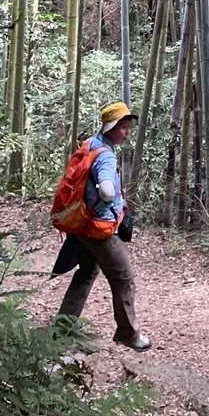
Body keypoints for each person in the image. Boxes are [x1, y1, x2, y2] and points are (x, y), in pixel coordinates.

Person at [53, 101, 152, 351]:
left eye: (128, 127)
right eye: (123, 127)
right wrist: (108, 196)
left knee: (86, 272)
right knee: (124, 277)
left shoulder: (90, 144)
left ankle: (62, 329)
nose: (127, 132)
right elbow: (107, 190)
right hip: (99, 229)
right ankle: (128, 334)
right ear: (111, 127)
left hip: (82, 223)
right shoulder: (105, 156)